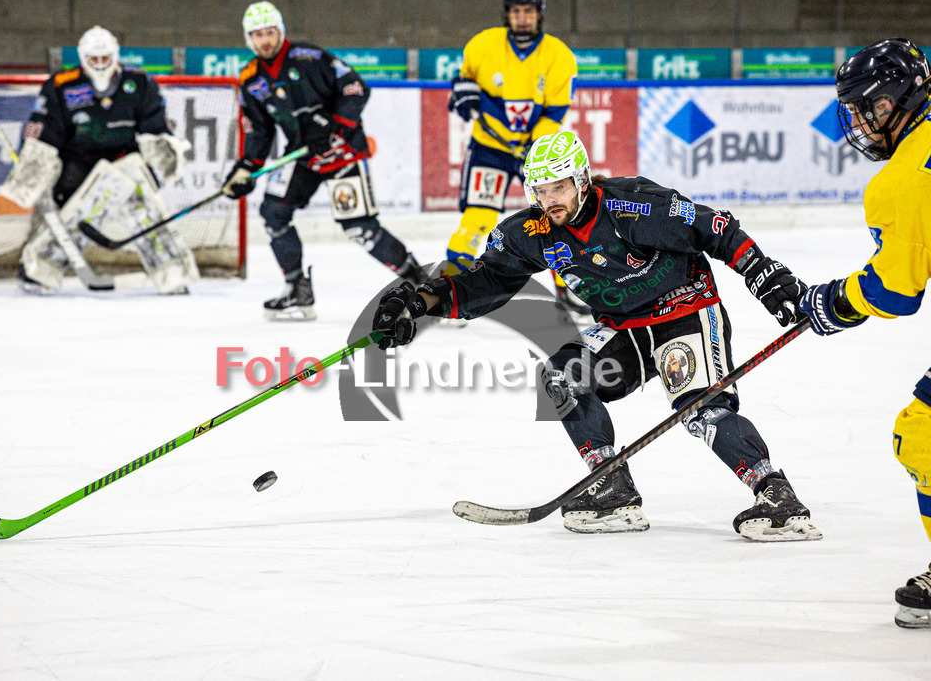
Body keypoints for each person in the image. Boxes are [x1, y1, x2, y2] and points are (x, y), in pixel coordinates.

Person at [374, 130, 822, 541]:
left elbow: (714, 228)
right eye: (541, 190)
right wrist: (418, 303)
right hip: (621, 327)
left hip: (683, 312)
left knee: (701, 412)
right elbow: (484, 280)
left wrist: (764, 274)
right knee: (563, 375)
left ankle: (777, 497)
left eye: (560, 187)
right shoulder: (533, 232)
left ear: (583, 180)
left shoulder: (635, 205)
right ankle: (611, 488)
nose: (551, 200)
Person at [799, 38, 931, 629]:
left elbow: (895, 292)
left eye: (862, 108)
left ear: (891, 101)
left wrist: (834, 302)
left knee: (922, 436)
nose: (856, 122)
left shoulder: (902, 180)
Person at [223, 1, 425, 321]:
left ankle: (422, 286)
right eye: (257, 35)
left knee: (358, 226)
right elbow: (259, 130)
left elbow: (356, 88)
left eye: (270, 32)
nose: (265, 40)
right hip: (303, 156)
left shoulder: (309, 57)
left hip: (342, 151)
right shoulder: (250, 79)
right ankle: (297, 289)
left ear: (281, 32)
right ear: (249, 39)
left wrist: (336, 128)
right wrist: (247, 167)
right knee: (273, 212)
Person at [2, 25, 197, 294]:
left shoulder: (139, 83)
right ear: (83, 59)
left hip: (125, 160)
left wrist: (165, 151)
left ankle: (171, 271)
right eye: (94, 59)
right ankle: (40, 268)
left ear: (115, 56)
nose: (101, 64)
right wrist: (33, 162)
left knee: (145, 206)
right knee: (81, 217)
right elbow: (42, 129)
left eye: (106, 58)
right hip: (78, 166)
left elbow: (156, 127)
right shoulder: (61, 85)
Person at [441, 0, 587, 322]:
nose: (522, 19)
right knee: (477, 218)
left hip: (537, 154)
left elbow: (555, 110)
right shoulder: (481, 46)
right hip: (488, 150)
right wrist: (464, 99)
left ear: (540, 15)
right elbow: (464, 92)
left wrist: (533, 146)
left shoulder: (558, 55)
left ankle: (572, 286)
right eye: (516, 12)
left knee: (555, 217)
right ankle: (454, 289)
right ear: (507, 14)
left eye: (529, 12)